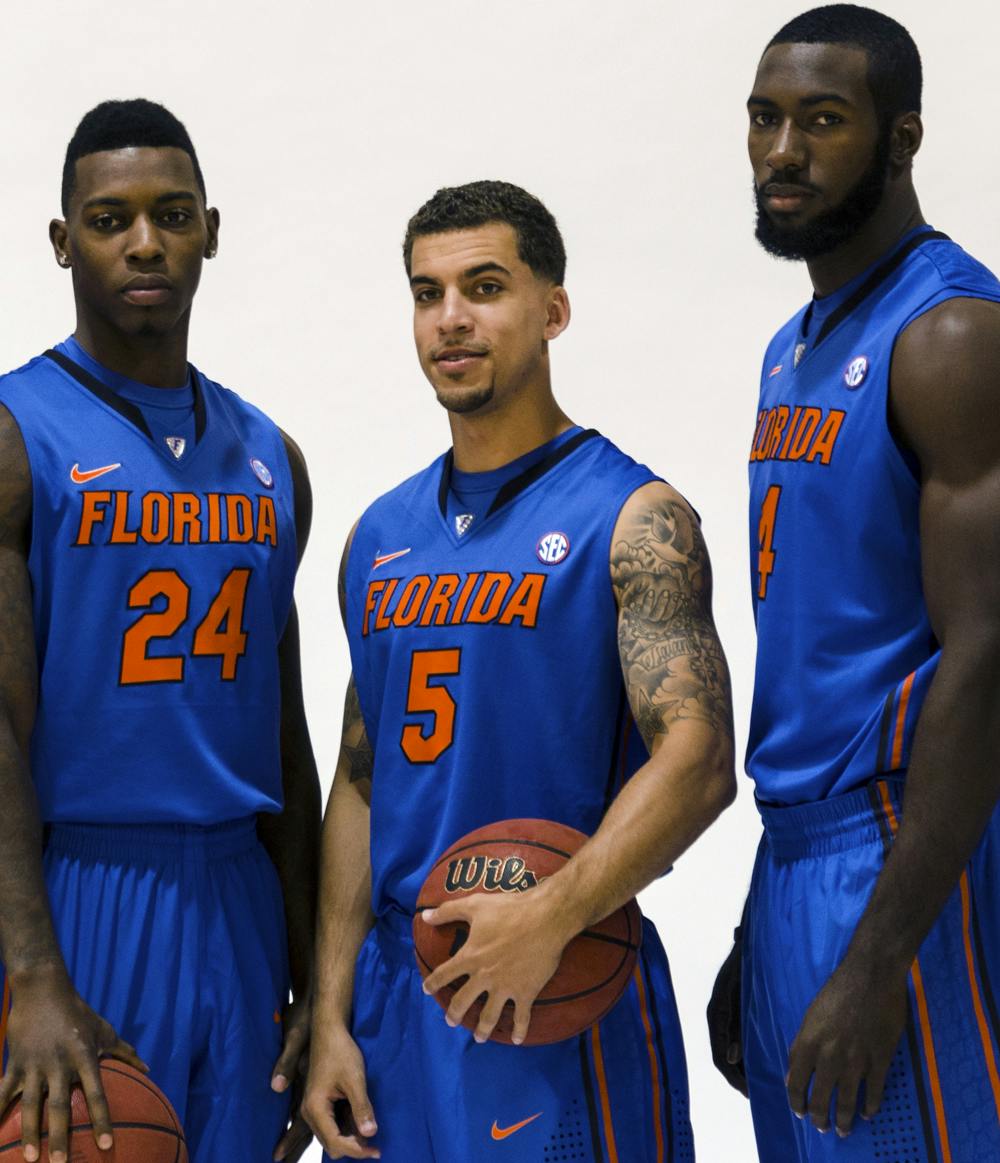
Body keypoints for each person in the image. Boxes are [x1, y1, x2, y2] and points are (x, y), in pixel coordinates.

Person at [301, 179, 736, 1161]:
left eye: (483, 286)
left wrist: (552, 914)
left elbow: (701, 758)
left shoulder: (633, 517)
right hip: (399, 1009)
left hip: (558, 986)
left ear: (552, 308)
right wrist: (330, 1014)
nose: (450, 319)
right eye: (426, 292)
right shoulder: (380, 537)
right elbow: (362, 785)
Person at [0, 100, 319, 1163]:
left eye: (172, 215)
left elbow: (288, 743)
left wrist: (318, 975)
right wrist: (37, 973)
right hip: (83, 885)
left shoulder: (272, 454)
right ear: (62, 242)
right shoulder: (17, 433)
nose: (146, 243)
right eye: (110, 219)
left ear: (210, 229)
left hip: (239, 900)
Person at [708, 6, 1000, 1160]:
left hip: (904, 857)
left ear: (902, 137)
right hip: (800, 853)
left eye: (822, 122)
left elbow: (984, 655)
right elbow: (823, 659)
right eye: (764, 119)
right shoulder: (796, 342)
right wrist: (760, 912)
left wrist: (877, 953)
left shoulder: (948, 337)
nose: (783, 152)